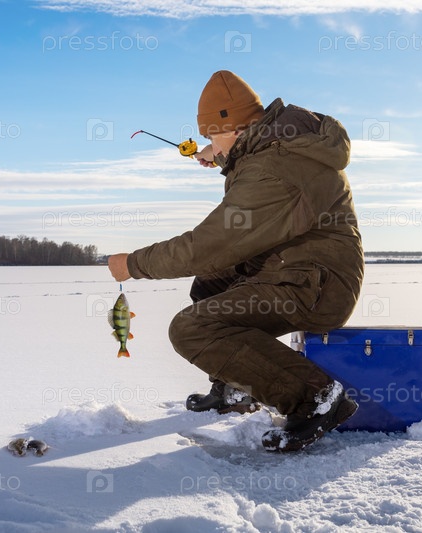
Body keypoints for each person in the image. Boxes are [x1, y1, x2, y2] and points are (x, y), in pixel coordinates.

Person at [107, 70, 364, 452]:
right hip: (300, 269)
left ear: (237, 128)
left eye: (213, 136)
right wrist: (222, 155)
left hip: (316, 287)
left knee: (192, 329)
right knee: (209, 284)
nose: (209, 145)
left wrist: (133, 264)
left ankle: (315, 397)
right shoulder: (280, 145)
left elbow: (208, 246)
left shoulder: (273, 170)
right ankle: (235, 388)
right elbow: (249, 173)